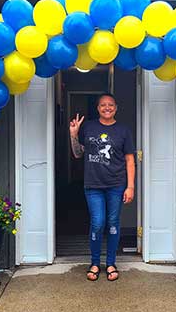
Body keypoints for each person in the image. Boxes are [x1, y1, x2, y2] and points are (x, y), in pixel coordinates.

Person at [69, 93, 135, 281]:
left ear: (116, 108)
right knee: (98, 223)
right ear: (98, 108)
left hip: (116, 184)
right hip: (93, 185)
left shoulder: (123, 131)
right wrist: (73, 135)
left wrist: (130, 187)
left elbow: (130, 160)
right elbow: (77, 153)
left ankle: (111, 263)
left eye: (111, 105)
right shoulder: (88, 127)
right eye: (103, 105)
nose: (107, 107)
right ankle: (95, 263)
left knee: (113, 224)